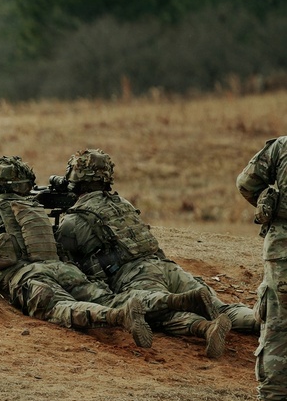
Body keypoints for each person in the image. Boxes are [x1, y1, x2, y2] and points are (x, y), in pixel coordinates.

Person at [0, 156, 212, 348]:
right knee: (108, 297)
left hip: (30, 278)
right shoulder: (36, 210)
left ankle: (120, 317)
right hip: (65, 270)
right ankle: (177, 301)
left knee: (60, 307)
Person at [55, 149, 255, 359]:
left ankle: (195, 315)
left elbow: (63, 265)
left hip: (136, 275)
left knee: (155, 314)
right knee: (223, 308)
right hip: (167, 266)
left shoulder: (73, 222)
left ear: (74, 178)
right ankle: (264, 320)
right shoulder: (123, 204)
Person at [236, 136, 287, 401]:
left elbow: (246, 183)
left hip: (282, 249)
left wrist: (272, 203)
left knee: (277, 325)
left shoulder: (280, 147)